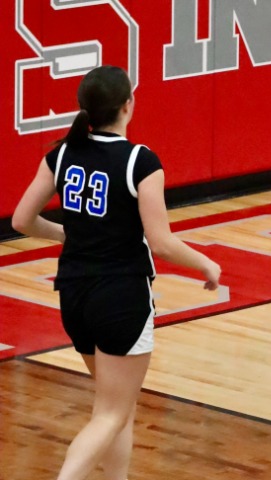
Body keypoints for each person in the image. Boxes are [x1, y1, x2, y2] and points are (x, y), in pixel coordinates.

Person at [12, 65, 221, 480]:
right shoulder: (141, 161)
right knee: (110, 413)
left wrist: (67, 233)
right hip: (121, 297)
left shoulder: (62, 153)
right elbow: (161, 243)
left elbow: (22, 220)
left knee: (115, 408)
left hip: (74, 295)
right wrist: (205, 263)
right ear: (128, 105)